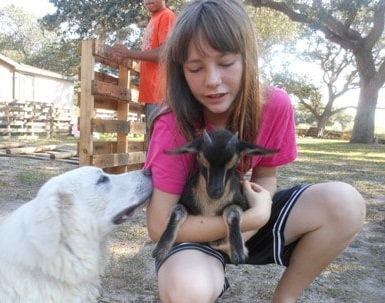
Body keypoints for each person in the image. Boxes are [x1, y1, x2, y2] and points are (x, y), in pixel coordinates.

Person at [143, 0, 366, 302]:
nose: (212, 81)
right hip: (192, 228)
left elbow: (266, 176)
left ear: (248, 58)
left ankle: (284, 299)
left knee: (344, 203)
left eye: (225, 63)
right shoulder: (172, 124)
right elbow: (159, 225)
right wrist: (244, 222)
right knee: (188, 288)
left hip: (242, 212)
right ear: (180, 70)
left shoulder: (274, 105)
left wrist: (258, 215)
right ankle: (204, 269)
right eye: (195, 67)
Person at [112, 0, 176, 130]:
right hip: (152, 96)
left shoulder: (166, 16)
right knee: (152, 144)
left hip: (161, 96)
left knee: (157, 146)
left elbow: (164, 53)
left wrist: (129, 53)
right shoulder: (153, 20)